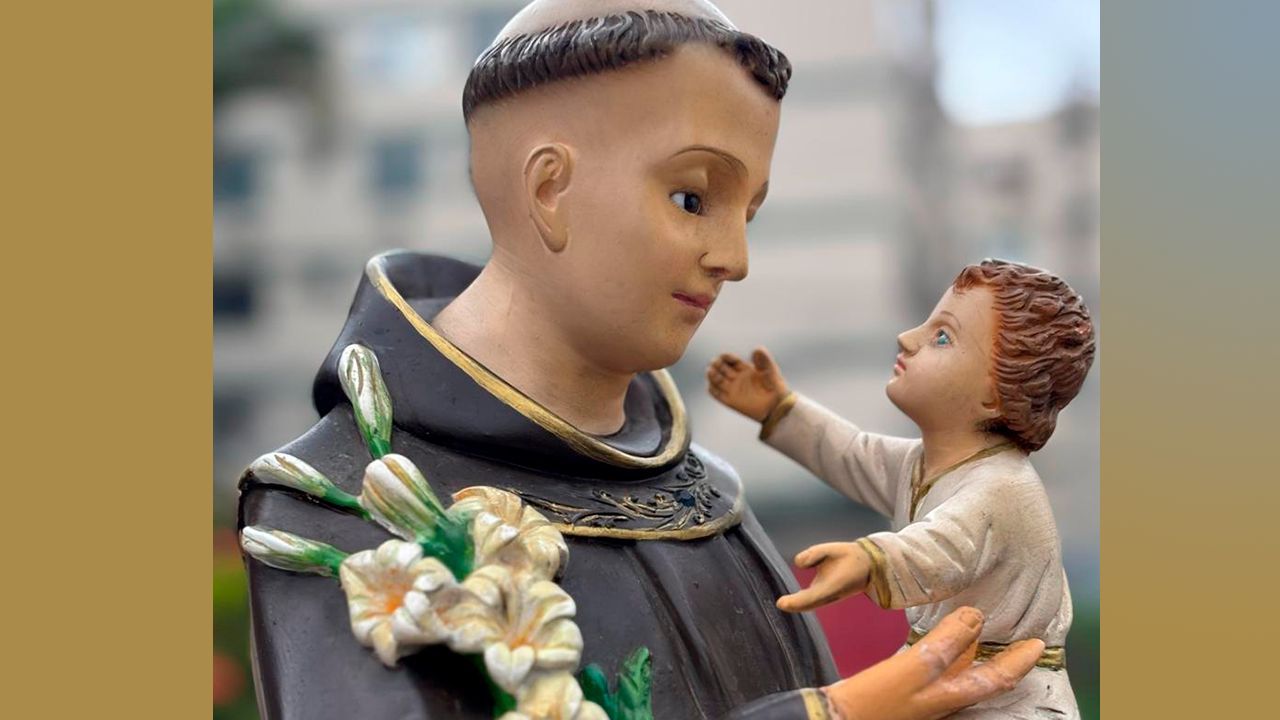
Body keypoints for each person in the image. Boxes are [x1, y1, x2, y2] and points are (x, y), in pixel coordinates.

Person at [238, 2, 1042, 718]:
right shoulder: (337, 506)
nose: (734, 259)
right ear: (550, 189)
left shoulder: (708, 499)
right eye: (693, 198)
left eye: (749, 213)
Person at [708, 260, 1096, 718]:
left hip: (1009, 700)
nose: (907, 338)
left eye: (941, 337)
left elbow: (942, 547)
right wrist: (780, 410)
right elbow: (852, 453)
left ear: (996, 393)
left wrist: (869, 560)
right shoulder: (923, 463)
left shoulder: (1003, 487)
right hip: (945, 676)